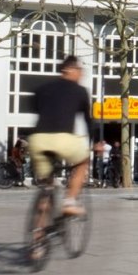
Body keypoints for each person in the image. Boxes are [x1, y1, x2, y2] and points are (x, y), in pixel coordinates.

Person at [28, 56, 94, 216]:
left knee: (47, 185)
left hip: (37, 141)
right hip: (62, 139)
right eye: (79, 70)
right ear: (69, 70)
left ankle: (38, 234)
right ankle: (69, 202)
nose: (81, 75)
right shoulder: (79, 90)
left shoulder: (41, 88)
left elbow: (35, 108)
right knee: (83, 162)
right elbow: (88, 121)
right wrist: (92, 143)